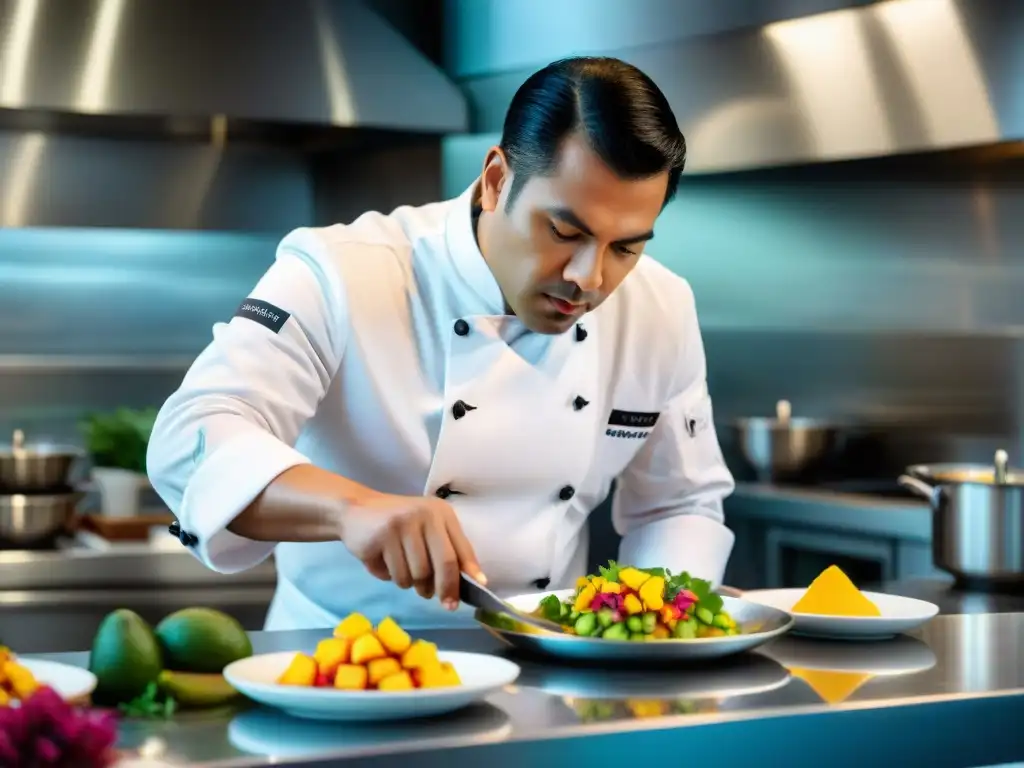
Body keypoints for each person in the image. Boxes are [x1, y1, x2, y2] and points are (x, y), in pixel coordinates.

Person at [147, 56, 736, 630]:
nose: (590, 277)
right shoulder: (346, 270)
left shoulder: (661, 308)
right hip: (340, 672)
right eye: (564, 231)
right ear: (496, 180)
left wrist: (651, 633)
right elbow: (190, 435)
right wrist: (351, 508)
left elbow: (679, 503)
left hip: (545, 670)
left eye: (626, 247)